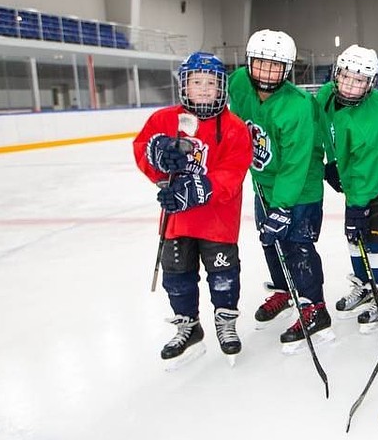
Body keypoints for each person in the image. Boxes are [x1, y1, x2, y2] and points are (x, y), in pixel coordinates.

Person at [133, 52, 252, 364]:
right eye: (196, 82)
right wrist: (158, 162)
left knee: (224, 274)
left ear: (221, 87)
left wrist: (200, 188)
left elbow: (233, 172)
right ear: (184, 85)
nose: (203, 88)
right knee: (176, 275)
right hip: (178, 220)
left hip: (218, 220)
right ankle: (189, 326)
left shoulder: (234, 127)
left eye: (210, 83)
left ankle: (226, 322)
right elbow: (143, 153)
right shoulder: (162, 120)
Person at [227, 29, 332, 352]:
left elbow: (296, 164)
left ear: (287, 70)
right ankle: (286, 291)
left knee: (297, 245)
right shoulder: (239, 82)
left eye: (276, 67)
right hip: (264, 183)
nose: (267, 73)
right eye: (260, 64)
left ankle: (316, 307)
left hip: (299, 188)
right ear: (248, 63)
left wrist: (284, 206)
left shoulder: (297, 106)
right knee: (270, 241)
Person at [316, 45, 378, 333]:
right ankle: (366, 285)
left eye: (360, 80)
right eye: (346, 77)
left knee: (376, 241)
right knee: (353, 236)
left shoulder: (376, 121)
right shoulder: (325, 96)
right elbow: (325, 131)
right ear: (337, 74)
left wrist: (358, 205)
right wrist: (332, 162)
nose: (350, 86)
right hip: (356, 175)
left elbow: (371, 170)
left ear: (371, 83)